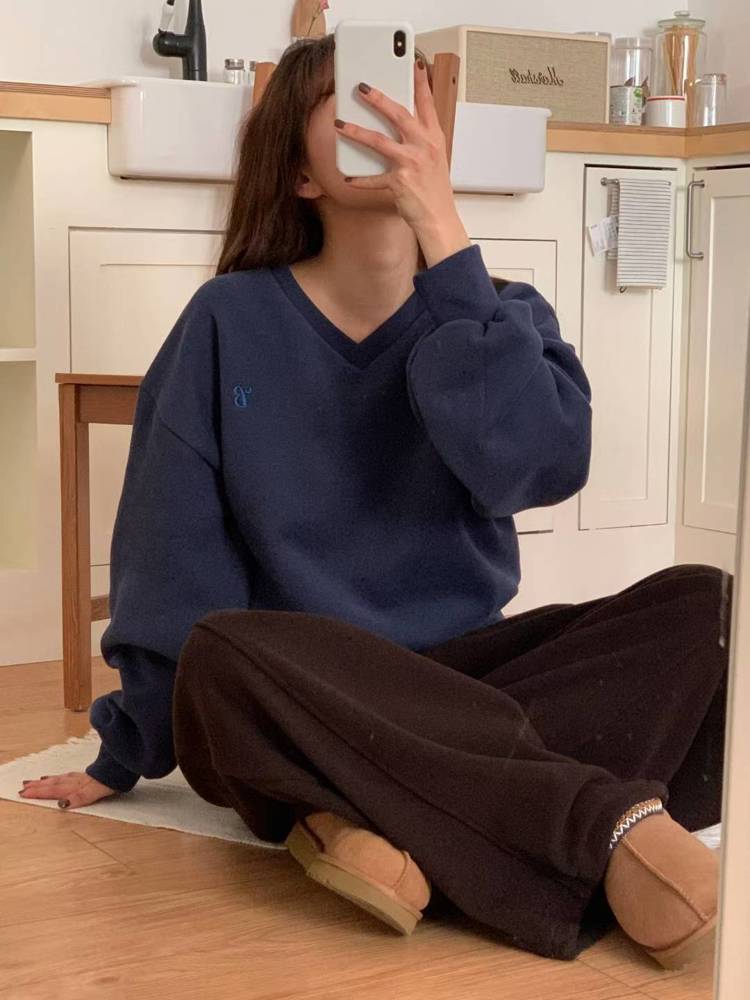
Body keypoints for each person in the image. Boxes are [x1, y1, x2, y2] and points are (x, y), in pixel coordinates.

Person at [20, 35, 730, 969]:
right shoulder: (226, 321)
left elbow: (537, 469)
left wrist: (447, 241)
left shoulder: (499, 311)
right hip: (303, 685)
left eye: (409, 96)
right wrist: (126, 751)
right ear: (300, 173)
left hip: (461, 684)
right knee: (222, 653)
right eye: (354, 99)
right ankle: (598, 825)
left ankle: (360, 817)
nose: (392, 114)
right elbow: (169, 553)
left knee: (708, 605)